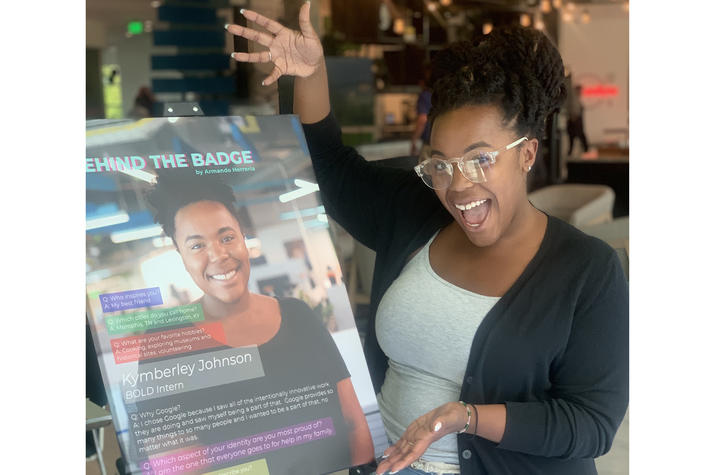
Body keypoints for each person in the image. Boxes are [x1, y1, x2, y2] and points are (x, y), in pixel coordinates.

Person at [227, 5, 628, 475]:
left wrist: (468, 417)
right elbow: (328, 169)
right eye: (441, 164)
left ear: (527, 154)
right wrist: (312, 74)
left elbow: (592, 423)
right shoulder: (415, 210)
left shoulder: (587, 269)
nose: (457, 186)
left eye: (480, 160)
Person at [145, 173, 374, 473]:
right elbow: (176, 465)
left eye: (227, 237)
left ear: (243, 238)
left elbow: (354, 423)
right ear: (180, 254)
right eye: (197, 246)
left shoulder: (297, 315)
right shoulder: (164, 340)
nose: (219, 255)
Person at [410, 63, 433, 158]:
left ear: (421, 82)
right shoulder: (442, 94)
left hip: (429, 143)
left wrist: (414, 140)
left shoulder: (424, 96)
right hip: (444, 141)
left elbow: (422, 119)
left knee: (427, 171)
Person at [566, 83, 589, 156]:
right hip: (575, 121)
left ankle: (585, 150)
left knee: (575, 137)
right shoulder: (573, 99)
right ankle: (585, 150)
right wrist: (573, 117)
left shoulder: (577, 98)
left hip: (576, 120)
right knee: (575, 137)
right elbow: (572, 110)